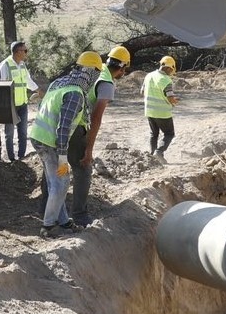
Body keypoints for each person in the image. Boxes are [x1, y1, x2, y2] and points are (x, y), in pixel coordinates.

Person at [30, 51, 103, 237]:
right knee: (61, 182)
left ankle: (63, 222)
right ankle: (48, 226)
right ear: (91, 73)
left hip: (39, 137)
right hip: (50, 143)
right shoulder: (75, 93)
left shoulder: (58, 84)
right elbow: (63, 129)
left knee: (55, 182)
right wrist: (63, 155)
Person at [68, 44, 129, 227]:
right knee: (83, 169)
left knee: (55, 164)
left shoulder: (97, 69)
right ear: (123, 67)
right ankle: (79, 215)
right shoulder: (107, 83)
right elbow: (96, 118)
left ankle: (44, 207)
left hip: (63, 119)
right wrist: (89, 149)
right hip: (76, 125)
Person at [0, 40, 35, 162]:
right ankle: (11, 159)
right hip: (10, 106)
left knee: (23, 133)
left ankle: (21, 157)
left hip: (23, 104)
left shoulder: (22, 65)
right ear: (17, 52)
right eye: (25, 50)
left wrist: (38, 90)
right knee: (9, 134)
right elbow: (1, 86)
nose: (26, 53)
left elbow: (28, 81)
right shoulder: (5, 65)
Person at [143, 55, 181, 162]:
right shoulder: (166, 80)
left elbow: (142, 91)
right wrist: (175, 101)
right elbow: (170, 98)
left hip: (149, 111)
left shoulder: (148, 76)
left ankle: (152, 156)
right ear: (169, 68)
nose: (171, 73)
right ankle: (159, 152)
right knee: (169, 134)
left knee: (153, 134)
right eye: (171, 70)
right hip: (162, 113)